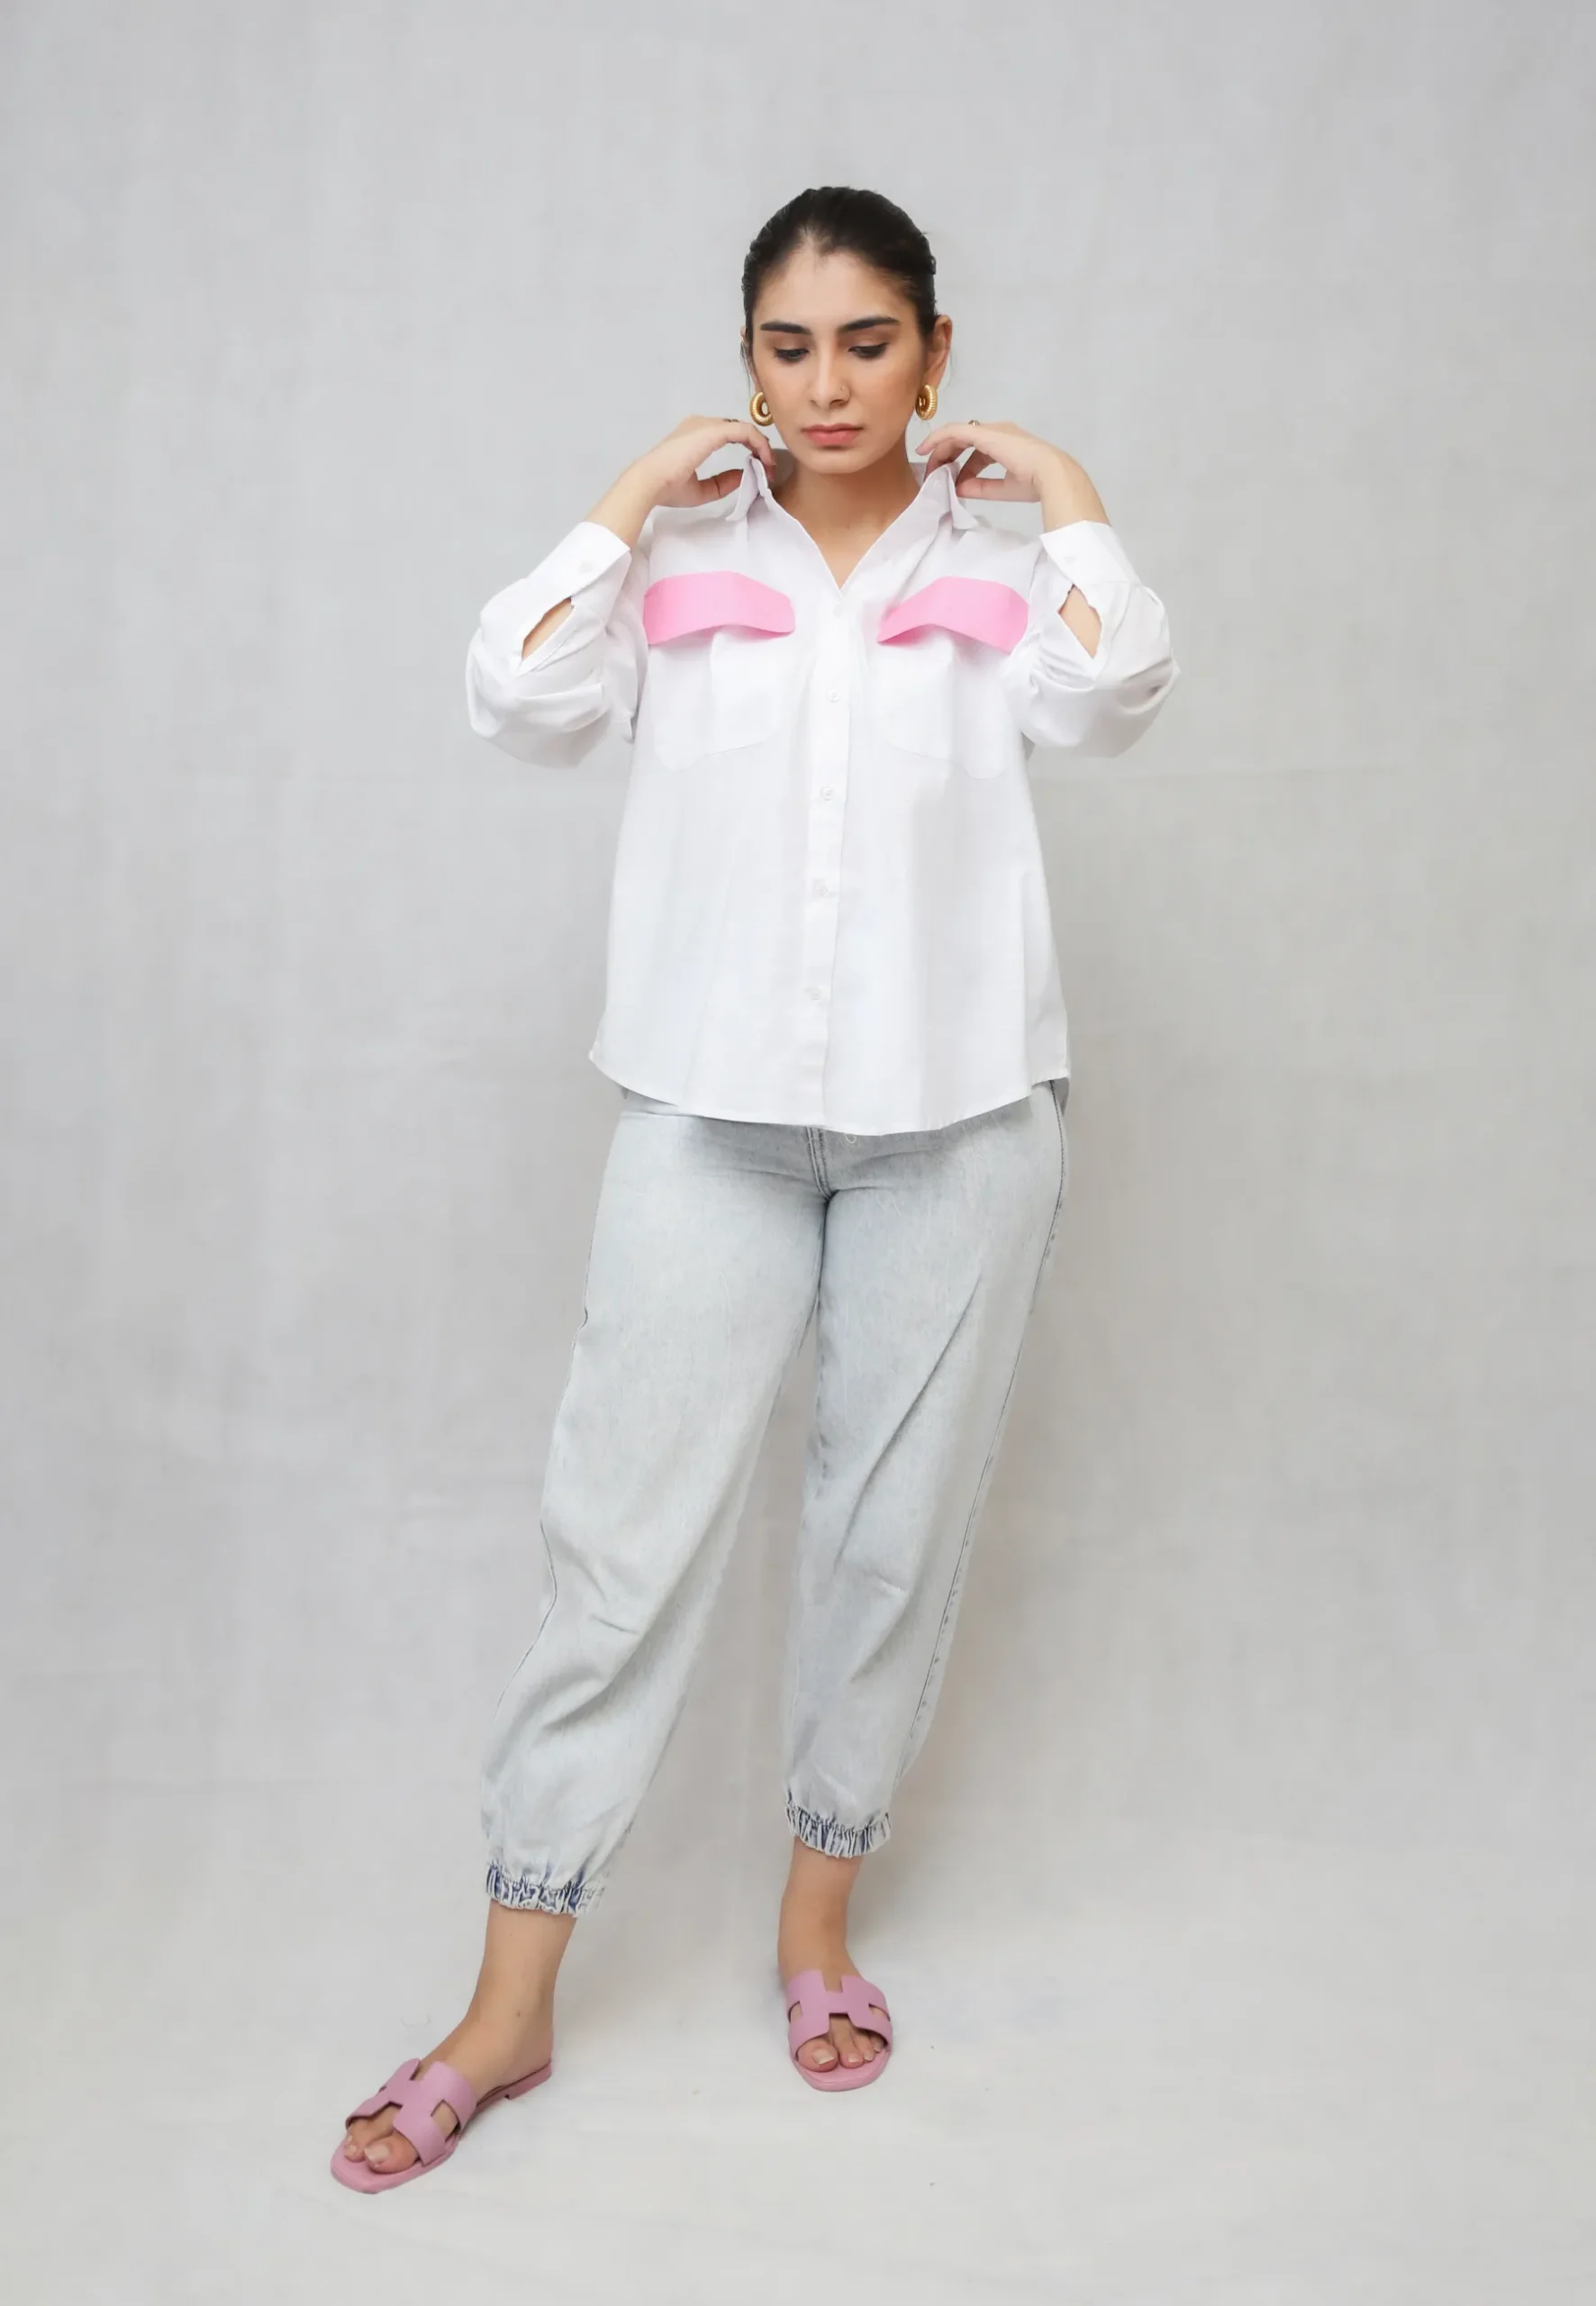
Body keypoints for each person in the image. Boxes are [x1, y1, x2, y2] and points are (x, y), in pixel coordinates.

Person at [331, 183, 1178, 2190]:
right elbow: (517, 699)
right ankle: (508, 2004)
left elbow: (1114, 692)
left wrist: (1067, 493)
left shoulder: (1003, 562)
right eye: (788, 347)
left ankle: (816, 1932)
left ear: (935, 353)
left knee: (889, 1548)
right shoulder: (682, 560)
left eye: (868, 342)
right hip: (706, 1118)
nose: (827, 384)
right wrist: (629, 497)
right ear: (746, 361)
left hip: (959, 1118)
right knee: (617, 1557)